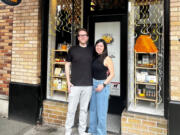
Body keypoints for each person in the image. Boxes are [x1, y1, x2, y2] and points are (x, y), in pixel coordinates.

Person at [65, 28, 93, 135]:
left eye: (84, 35)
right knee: (71, 111)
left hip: (88, 85)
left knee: (84, 110)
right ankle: (68, 132)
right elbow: (67, 65)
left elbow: (99, 61)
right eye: (80, 35)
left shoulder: (91, 50)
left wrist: (107, 68)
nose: (82, 37)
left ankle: (82, 131)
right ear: (78, 38)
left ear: (87, 37)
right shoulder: (72, 49)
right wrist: (68, 82)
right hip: (75, 85)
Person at [88, 39, 115, 135]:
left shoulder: (107, 58)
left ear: (104, 48)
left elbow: (112, 74)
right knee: (93, 110)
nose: (98, 47)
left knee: (101, 112)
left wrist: (103, 85)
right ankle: (92, 130)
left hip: (102, 86)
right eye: (97, 45)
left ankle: (101, 133)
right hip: (93, 84)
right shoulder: (94, 57)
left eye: (101, 46)